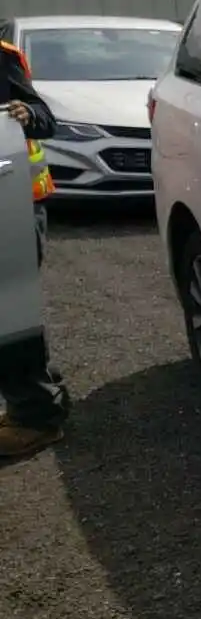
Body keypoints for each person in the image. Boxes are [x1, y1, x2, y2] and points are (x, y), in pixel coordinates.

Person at [0, 37, 69, 459]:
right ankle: (35, 402)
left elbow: (45, 119)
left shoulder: (2, 58)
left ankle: (36, 416)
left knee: (9, 315)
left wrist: (26, 114)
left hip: (13, 207)